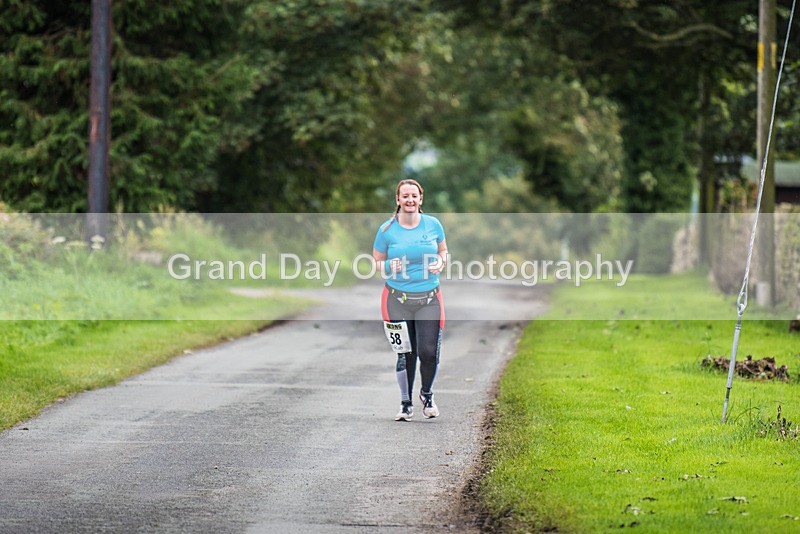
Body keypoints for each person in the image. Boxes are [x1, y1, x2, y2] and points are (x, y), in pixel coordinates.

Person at [373, 179, 448, 421]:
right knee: (405, 353)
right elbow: (376, 263)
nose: (410, 200)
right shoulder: (386, 231)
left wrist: (441, 261)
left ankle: (426, 394)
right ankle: (405, 404)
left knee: (428, 351)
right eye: (405, 196)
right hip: (397, 298)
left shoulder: (433, 225)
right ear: (398, 200)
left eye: (414, 196)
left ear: (420, 199)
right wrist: (387, 265)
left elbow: (444, 251)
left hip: (429, 297)